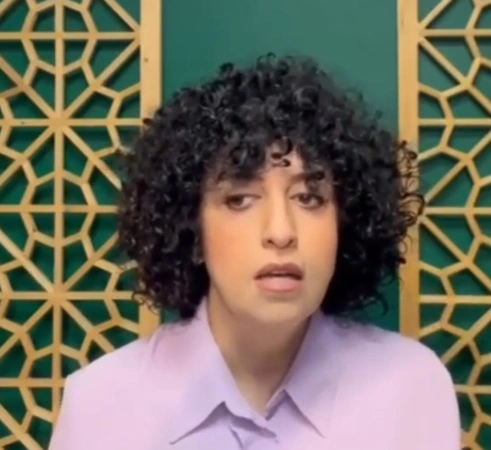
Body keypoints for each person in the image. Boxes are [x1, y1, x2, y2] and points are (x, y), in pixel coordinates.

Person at [48, 55, 460, 449]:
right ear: (192, 229)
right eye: (240, 200)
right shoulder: (101, 404)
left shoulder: (411, 388)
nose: (281, 232)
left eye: (309, 198)